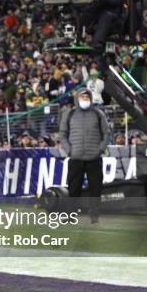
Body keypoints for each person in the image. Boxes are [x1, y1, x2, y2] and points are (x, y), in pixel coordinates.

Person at [59, 88, 110, 224]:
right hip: (75, 159)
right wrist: (69, 150)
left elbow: (106, 133)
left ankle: (94, 216)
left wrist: (100, 149)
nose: (85, 100)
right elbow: (62, 134)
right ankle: (71, 216)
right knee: (74, 188)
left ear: (91, 99)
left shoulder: (98, 114)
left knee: (96, 189)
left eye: (87, 98)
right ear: (77, 99)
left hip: (94, 159)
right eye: (82, 98)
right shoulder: (69, 114)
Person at [84, 0, 125, 74]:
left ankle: (98, 45)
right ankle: (106, 72)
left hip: (113, 20)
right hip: (99, 25)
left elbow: (118, 0)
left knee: (106, 16)